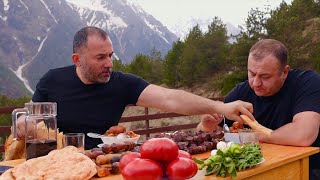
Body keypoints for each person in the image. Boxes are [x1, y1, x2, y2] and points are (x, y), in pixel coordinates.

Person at [15, 26, 254, 150]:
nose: (109, 63)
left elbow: (170, 98)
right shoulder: (51, 80)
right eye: (100, 58)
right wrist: (22, 124)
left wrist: (220, 106)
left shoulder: (122, 83)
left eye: (111, 55)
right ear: (77, 59)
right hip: (53, 165)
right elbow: (29, 120)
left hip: (103, 164)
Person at [197, 39, 320, 179]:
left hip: (307, 170)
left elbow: (303, 135)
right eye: (252, 74)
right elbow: (211, 134)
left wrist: (253, 135)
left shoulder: (308, 83)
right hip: (258, 172)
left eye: (265, 77)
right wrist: (207, 126)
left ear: (285, 72)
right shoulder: (240, 93)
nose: (255, 83)